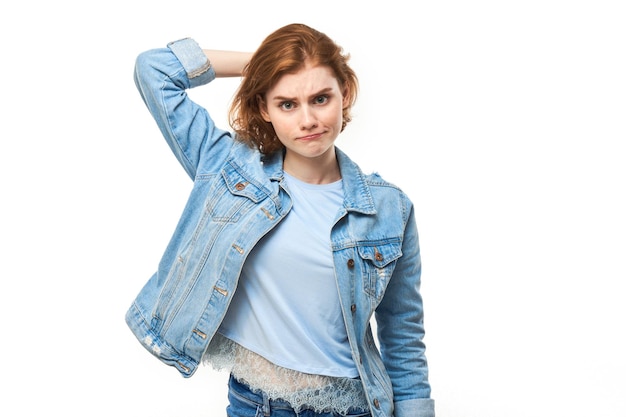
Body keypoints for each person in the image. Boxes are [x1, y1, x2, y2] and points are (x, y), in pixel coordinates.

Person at [125, 23, 435, 417]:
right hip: (254, 405)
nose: (307, 119)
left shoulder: (390, 209)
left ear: (346, 94)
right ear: (264, 109)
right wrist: (260, 65)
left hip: (351, 408)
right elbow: (154, 70)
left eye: (320, 98)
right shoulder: (228, 169)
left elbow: (403, 334)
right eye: (287, 103)